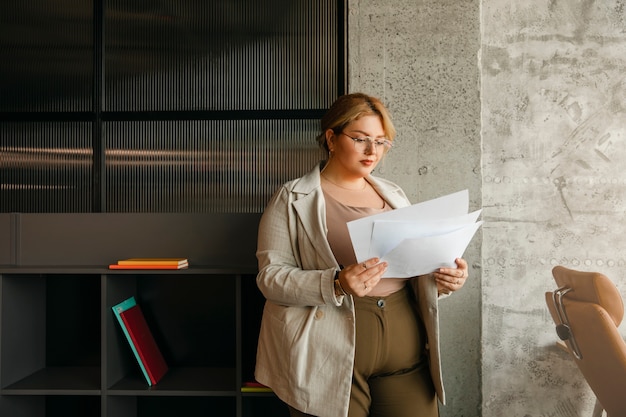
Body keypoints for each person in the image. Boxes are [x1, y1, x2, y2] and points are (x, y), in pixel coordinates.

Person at [255, 92, 469, 417]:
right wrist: (336, 283)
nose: (373, 152)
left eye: (382, 142)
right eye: (361, 139)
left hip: (406, 348)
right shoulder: (292, 197)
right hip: (328, 352)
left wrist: (443, 281)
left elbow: (411, 267)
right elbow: (270, 278)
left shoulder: (394, 193)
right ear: (331, 137)